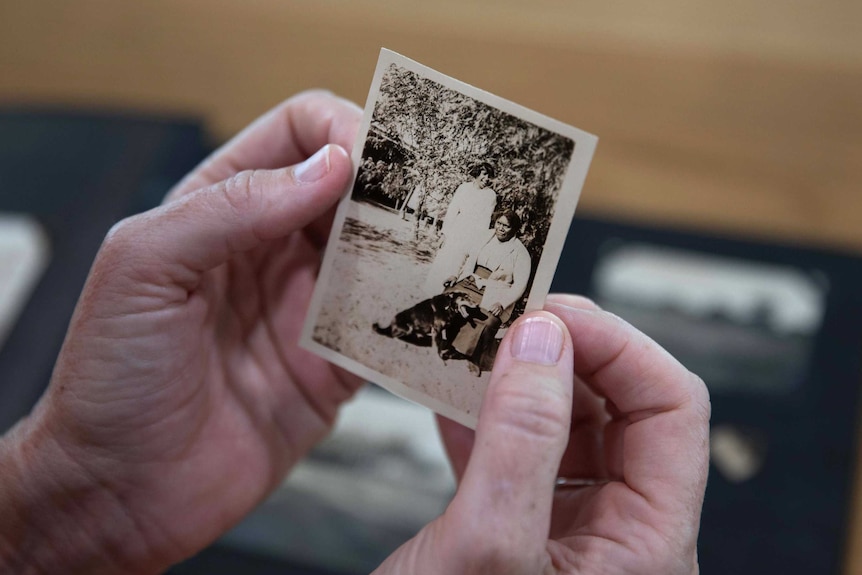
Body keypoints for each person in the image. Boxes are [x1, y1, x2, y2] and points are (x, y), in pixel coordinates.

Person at [0, 90, 710, 574]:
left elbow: (490, 285)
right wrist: (65, 496)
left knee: (446, 328)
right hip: (450, 306)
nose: (493, 223)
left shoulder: (513, 253)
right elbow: (458, 269)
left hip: (477, 316)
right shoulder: (473, 234)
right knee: (417, 319)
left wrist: (65, 506)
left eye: (497, 217)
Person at [445, 209, 531, 375]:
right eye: (499, 223)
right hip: (470, 280)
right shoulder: (485, 236)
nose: (500, 228)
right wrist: (454, 274)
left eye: (506, 226)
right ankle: (452, 344)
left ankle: (476, 357)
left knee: (489, 320)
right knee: (449, 299)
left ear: (515, 229)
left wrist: (502, 303)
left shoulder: (520, 253)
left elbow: (520, 285)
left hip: (495, 292)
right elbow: (464, 255)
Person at [423, 162, 498, 296]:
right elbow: (453, 210)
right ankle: (430, 296)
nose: (486, 179)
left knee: (457, 266)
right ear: (477, 173)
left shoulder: (491, 195)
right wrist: (445, 234)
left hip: (472, 234)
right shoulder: (464, 188)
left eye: (489, 176)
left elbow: (486, 221)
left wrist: (477, 243)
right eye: (484, 174)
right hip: (456, 230)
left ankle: (445, 297)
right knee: (443, 260)